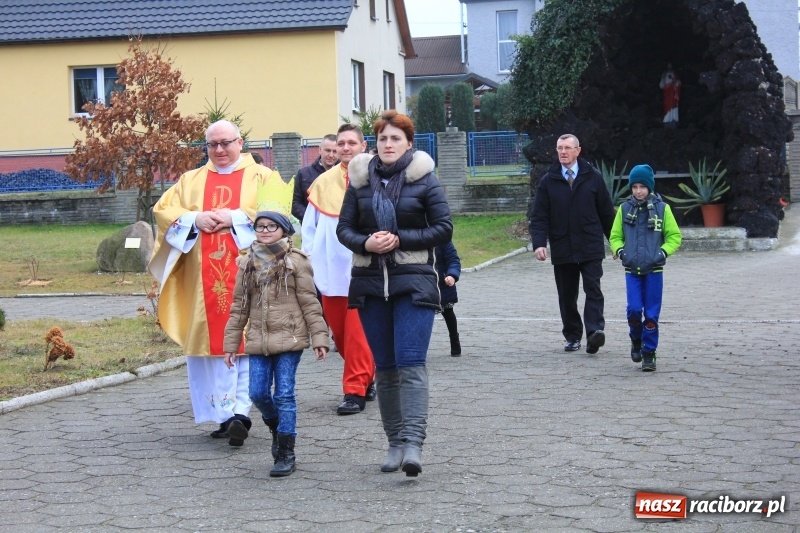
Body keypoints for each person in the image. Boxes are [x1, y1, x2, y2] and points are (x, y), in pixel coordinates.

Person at [149, 120, 280, 447]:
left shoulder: (264, 177)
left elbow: (282, 214)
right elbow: (164, 210)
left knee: (246, 344)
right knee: (209, 347)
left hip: (252, 280)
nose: (220, 150)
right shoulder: (190, 180)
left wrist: (235, 217)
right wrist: (195, 218)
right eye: (212, 145)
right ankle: (225, 417)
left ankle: (241, 412)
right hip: (202, 285)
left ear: (241, 142)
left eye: (226, 143)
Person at [337, 110, 453, 477]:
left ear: (408, 143)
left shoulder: (426, 179)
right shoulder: (359, 183)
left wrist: (401, 239)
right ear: (375, 144)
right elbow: (345, 230)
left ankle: (414, 445)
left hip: (414, 282)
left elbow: (443, 228)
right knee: (385, 369)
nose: (388, 145)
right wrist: (367, 242)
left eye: (395, 139)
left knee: (411, 363)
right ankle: (394, 442)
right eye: (383, 139)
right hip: (371, 284)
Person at [223, 211, 329, 477]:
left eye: (272, 226)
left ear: (284, 230)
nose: (266, 230)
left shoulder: (297, 262)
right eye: (260, 226)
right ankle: (275, 426)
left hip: (290, 337)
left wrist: (319, 338)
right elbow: (239, 308)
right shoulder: (246, 263)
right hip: (258, 338)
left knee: (284, 394)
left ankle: (285, 452)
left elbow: (310, 302)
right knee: (258, 392)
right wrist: (231, 344)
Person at [301, 124, 376, 415]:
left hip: (364, 265)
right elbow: (310, 227)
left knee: (358, 332)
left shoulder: (376, 176)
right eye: (341, 143)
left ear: (363, 145)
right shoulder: (323, 182)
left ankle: (354, 391)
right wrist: (308, 257)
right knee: (341, 335)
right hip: (330, 268)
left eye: (351, 143)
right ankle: (366, 374)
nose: (345, 148)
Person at [529, 134, 616, 355]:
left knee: (593, 290)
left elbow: (607, 214)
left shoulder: (593, 177)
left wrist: (616, 242)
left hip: (590, 245)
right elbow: (539, 216)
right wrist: (539, 243)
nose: (563, 152)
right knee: (567, 295)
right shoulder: (548, 181)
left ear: (578, 150)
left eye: (568, 148)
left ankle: (595, 332)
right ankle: (572, 335)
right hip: (562, 246)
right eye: (559, 148)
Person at [609, 165, 682, 372]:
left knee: (651, 314)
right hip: (632, 270)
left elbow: (674, 236)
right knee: (633, 310)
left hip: (654, 271)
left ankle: (649, 352)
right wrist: (621, 251)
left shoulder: (662, 208)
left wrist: (662, 253)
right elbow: (615, 236)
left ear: (649, 187)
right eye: (635, 187)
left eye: (642, 187)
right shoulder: (624, 209)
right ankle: (636, 339)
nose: (638, 191)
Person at [292, 134, 338, 222]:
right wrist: (312, 219)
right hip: (311, 229)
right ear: (320, 149)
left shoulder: (345, 174)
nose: (331, 155)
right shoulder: (303, 173)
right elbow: (295, 203)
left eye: (335, 151)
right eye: (327, 150)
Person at [435, 241, 462, 357]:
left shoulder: (443, 239)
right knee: (422, 316)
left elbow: (453, 260)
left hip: (442, 283)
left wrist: (452, 275)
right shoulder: (415, 237)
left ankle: (454, 339)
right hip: (422, 284)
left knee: (448, 312)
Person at [659, 63, 681, 128]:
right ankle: (667, 119)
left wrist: (674, 81)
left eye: (670, 64)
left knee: (673, 104)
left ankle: (673, 119)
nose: (669, 66)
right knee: (667, 104)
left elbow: (678, 82)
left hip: (673, 91)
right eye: (668, 64)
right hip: (667, 91)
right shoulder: (664, 73)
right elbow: (662, 83)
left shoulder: (675, 73)